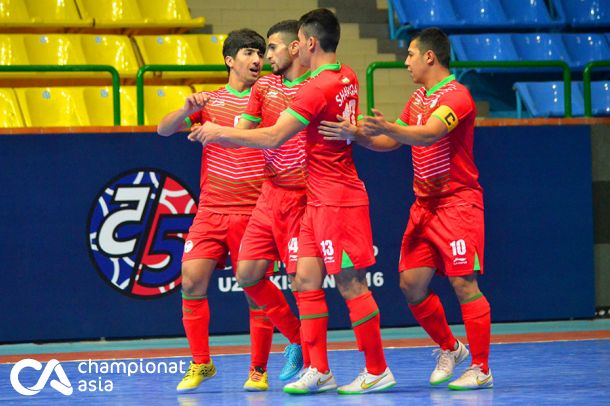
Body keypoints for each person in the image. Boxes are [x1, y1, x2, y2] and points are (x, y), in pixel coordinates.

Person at [188, 8, 396, 395]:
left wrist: (218, 132)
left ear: (307, 44)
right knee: (301, 279)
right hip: (309, 196)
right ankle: (319, 368)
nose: (268, 55)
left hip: (332, 196)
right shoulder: (346, 75)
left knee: (350, 283)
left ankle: (377, 368)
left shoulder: (314, 89)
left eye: (280, 45)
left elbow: (273, 137)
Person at [319, 27, 493, 390]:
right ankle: (451, 348)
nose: (406, 62)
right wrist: (357, 135)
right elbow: (391, 140)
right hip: (423, 207)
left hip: (457, 204)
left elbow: (429, 134)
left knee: (463, 283)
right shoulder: (417, 99)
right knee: (411, 285)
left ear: (430, 56)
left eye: (411, 55)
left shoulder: (457, 96)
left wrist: (387, 127)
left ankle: (481, 368)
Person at [157, 28, 281, 393]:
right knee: (191, 280)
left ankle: (258, 370)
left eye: (260, 53)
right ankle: (201, 362)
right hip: (211, 210)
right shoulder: (208, 100)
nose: (257, 59)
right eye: (248, 53)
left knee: (255, 290)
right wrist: (186, 109)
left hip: (254, 212)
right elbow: (163, 130)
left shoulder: (270, 99)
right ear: (230, 60)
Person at [234, 19, 314, 388]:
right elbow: (244, 133)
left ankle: (315, 364)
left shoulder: (316, 87)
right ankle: (296, 337)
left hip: (303, 197)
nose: (266, 57)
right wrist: (223, 127)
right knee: (248, 274)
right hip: (269, 194)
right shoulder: (264, 87)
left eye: (272, 48)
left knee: (301, 281)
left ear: (295, 48)